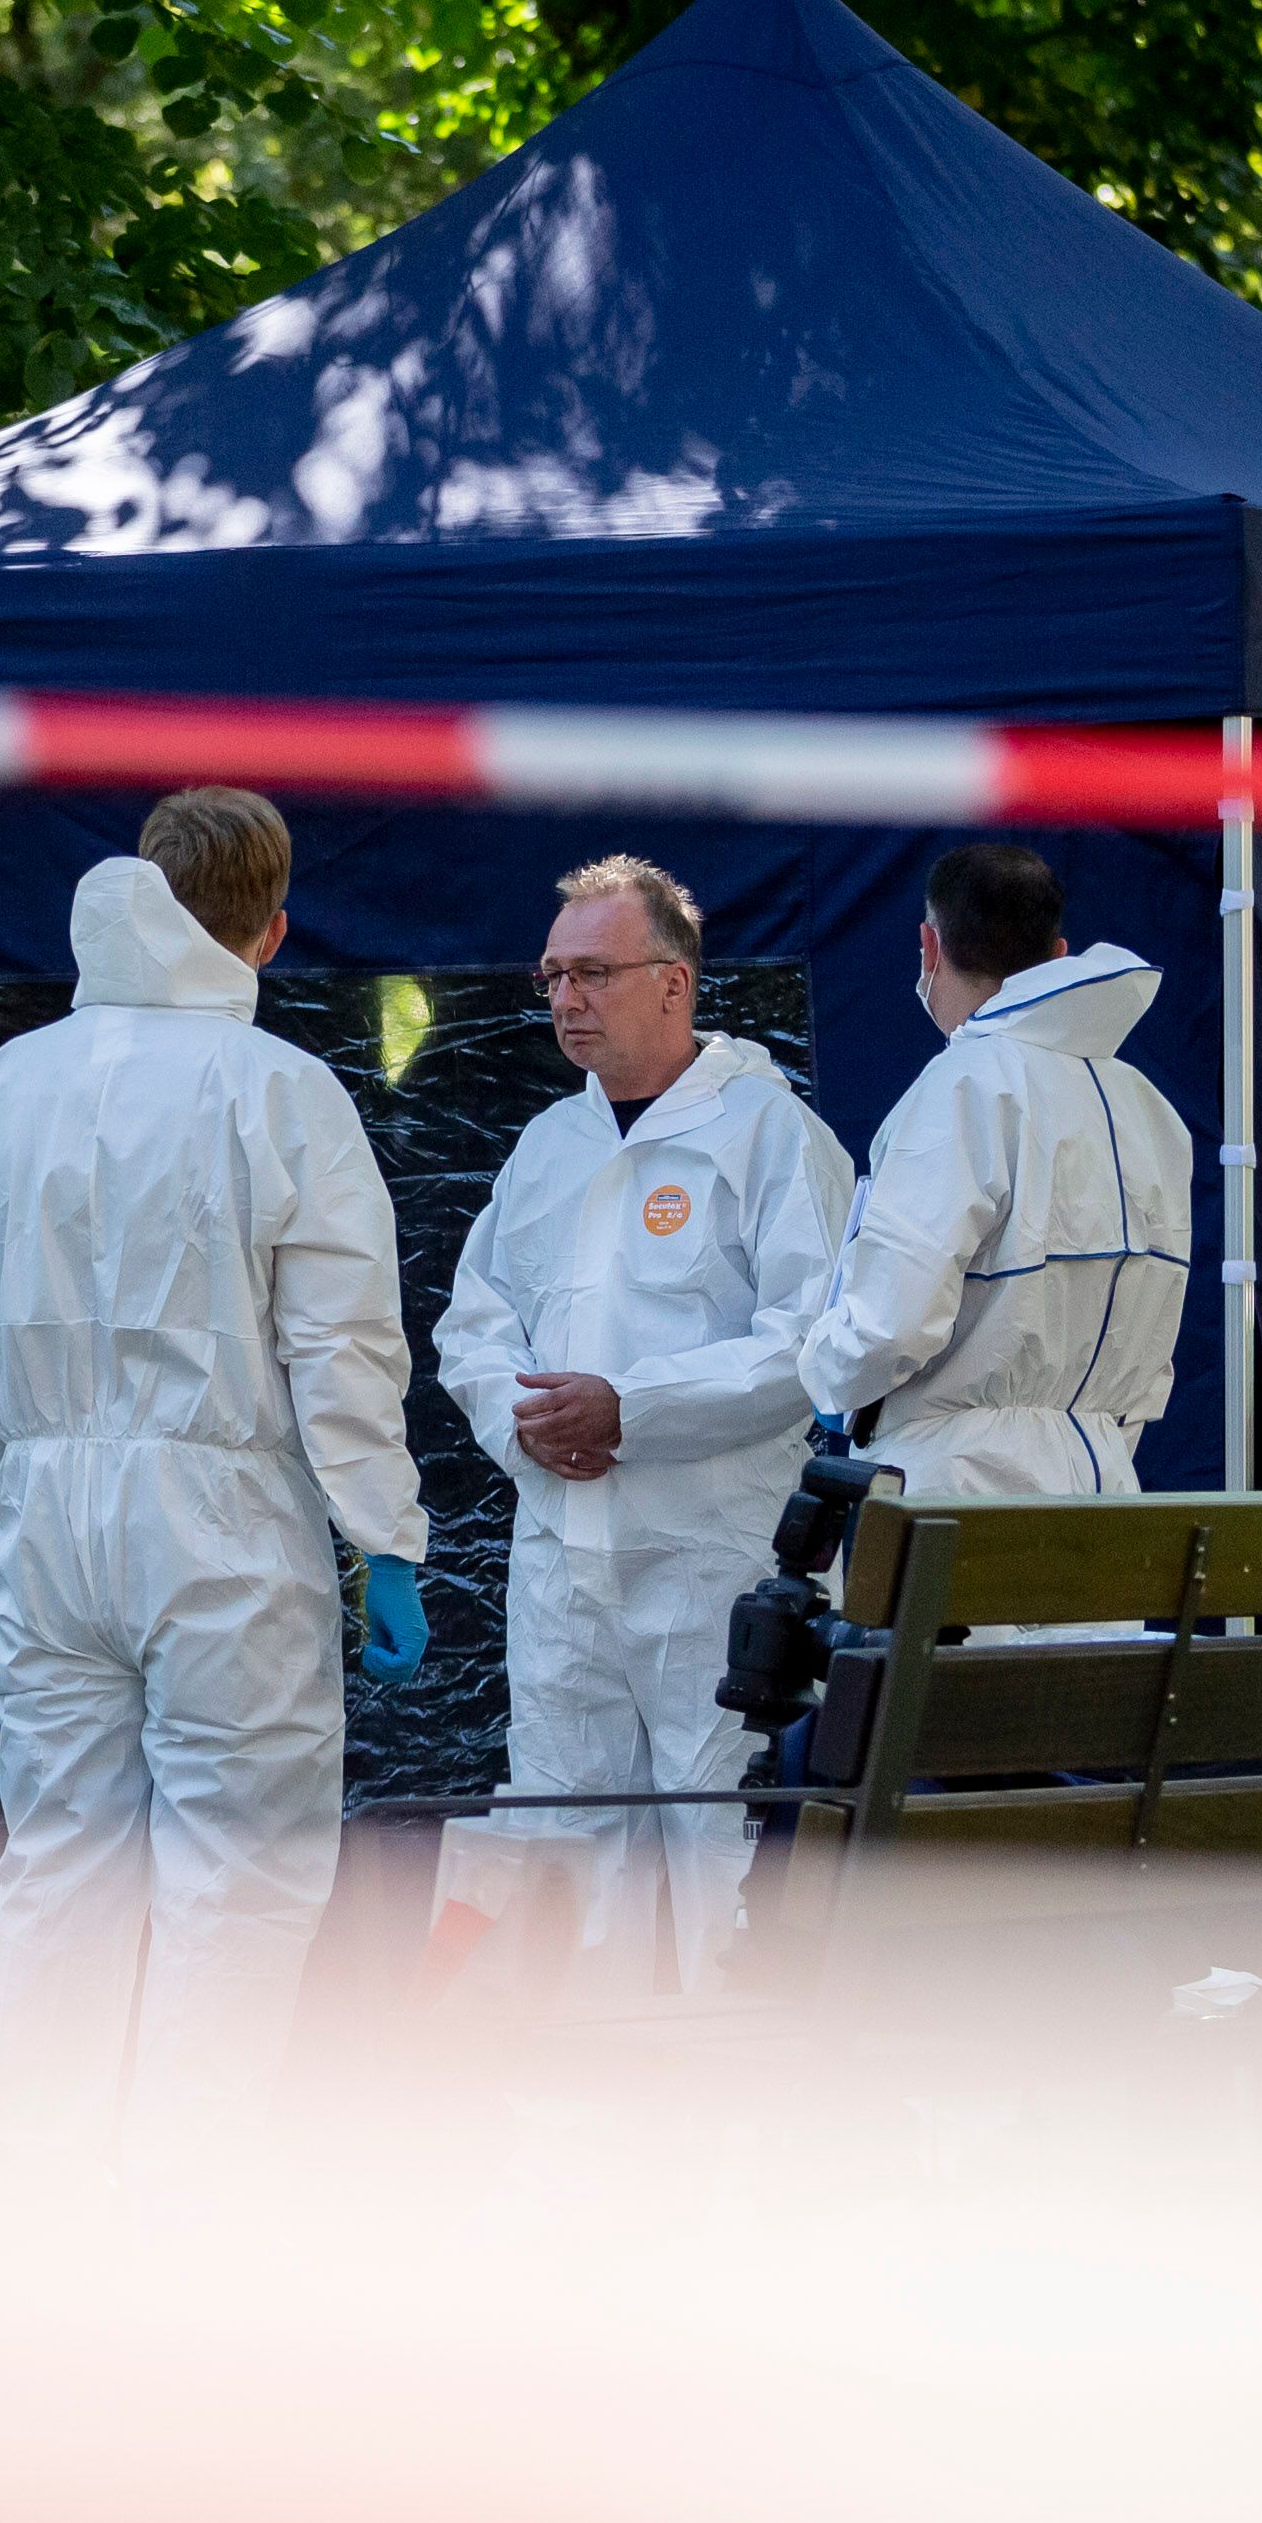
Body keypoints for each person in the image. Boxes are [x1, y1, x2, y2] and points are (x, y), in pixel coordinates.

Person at [0, 787, 423, 2170]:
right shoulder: (278, 1088)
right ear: (268, 933)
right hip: (221, 1527)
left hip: (41, 1526)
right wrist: (381, 1537)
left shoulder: (3, 1083)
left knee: (58, 1881)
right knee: (236, 1885)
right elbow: (339, 1345)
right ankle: (183, 2226)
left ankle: (33, 2215)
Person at [428, 855, 853, 2001]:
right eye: (553, 974)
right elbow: (473, 1323)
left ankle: (739, 2136)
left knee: (726, 1857)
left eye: (593, 973)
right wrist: (526, 1427)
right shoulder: (547, 1149)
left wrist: (636, 1412)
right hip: (565, 1560)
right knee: (558, 1851)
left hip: (712, 1564)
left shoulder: (769, 1135)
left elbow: (811, 1338)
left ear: (674, 981)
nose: (566, 998)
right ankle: (571, 2142)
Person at [800, 842, 1196, 1491]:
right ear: (1059, 955)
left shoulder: (960, 1086)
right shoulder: (1148, 1109)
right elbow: (1151, 1345)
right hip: (1104, 1479)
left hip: (955, 1482)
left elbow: (889, 1324)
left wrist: (823, 1372)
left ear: (929, 947)